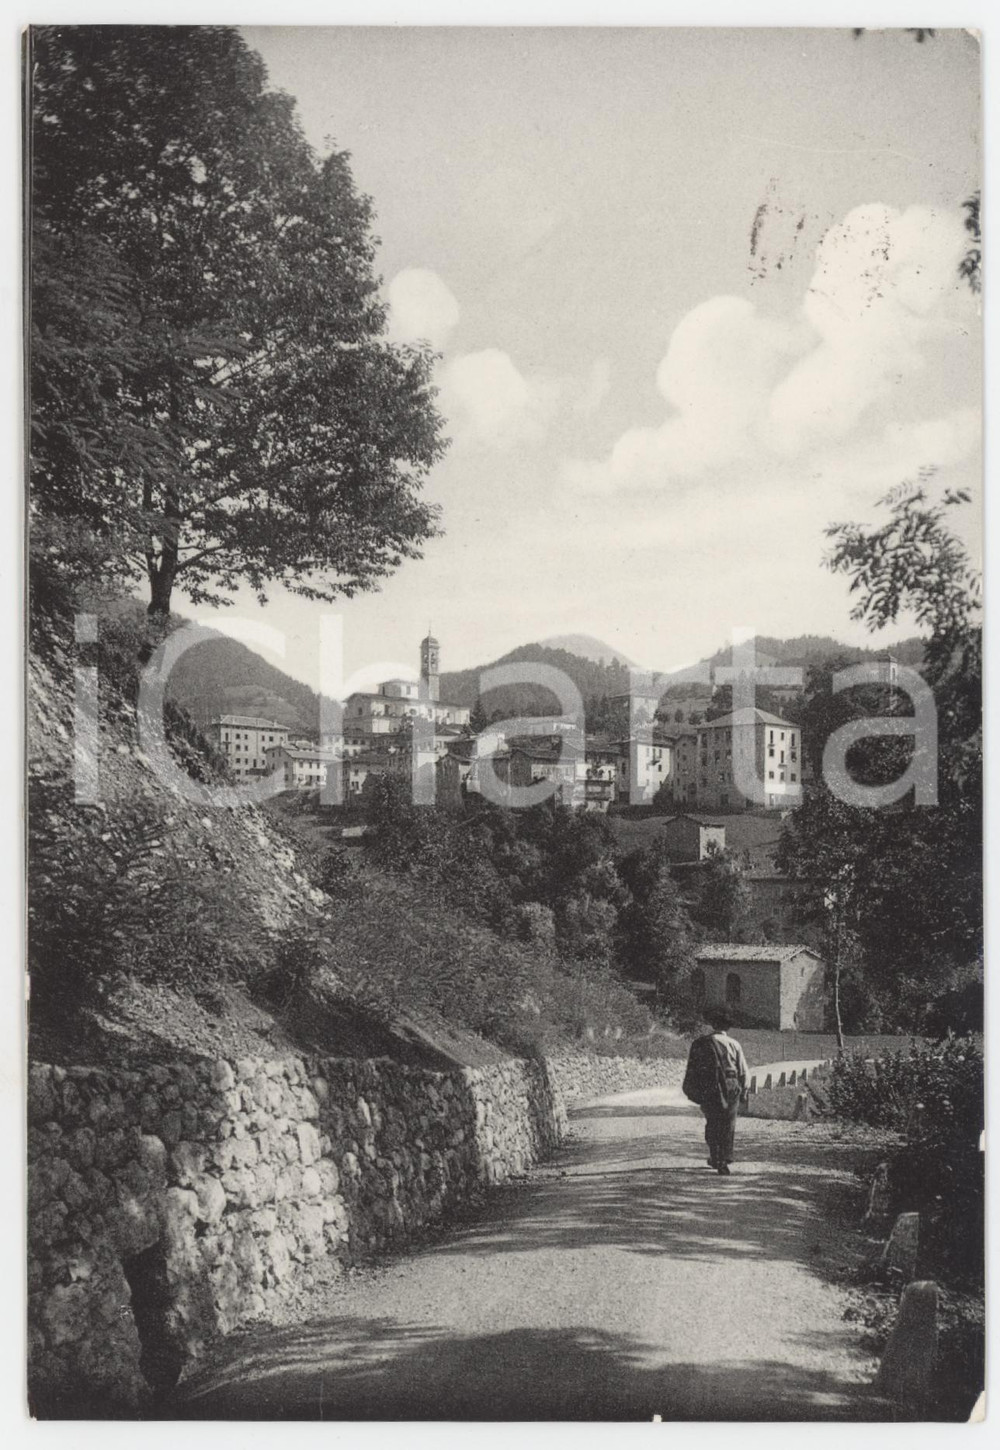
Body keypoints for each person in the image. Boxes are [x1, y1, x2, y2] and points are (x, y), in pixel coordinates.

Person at [681, 1007, 750, 1174]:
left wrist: (693, 1089)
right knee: (728, 1123)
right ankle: (725, 1158)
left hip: (709, 1087)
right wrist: (744, 1090)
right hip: (731, 1086)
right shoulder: (734, 1044)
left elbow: (693, 1068)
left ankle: (716, 1156)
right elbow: (743, 1071)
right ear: (728, 1027)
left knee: (712, 1121)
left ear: (713, 1025)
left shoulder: (701, 1043)